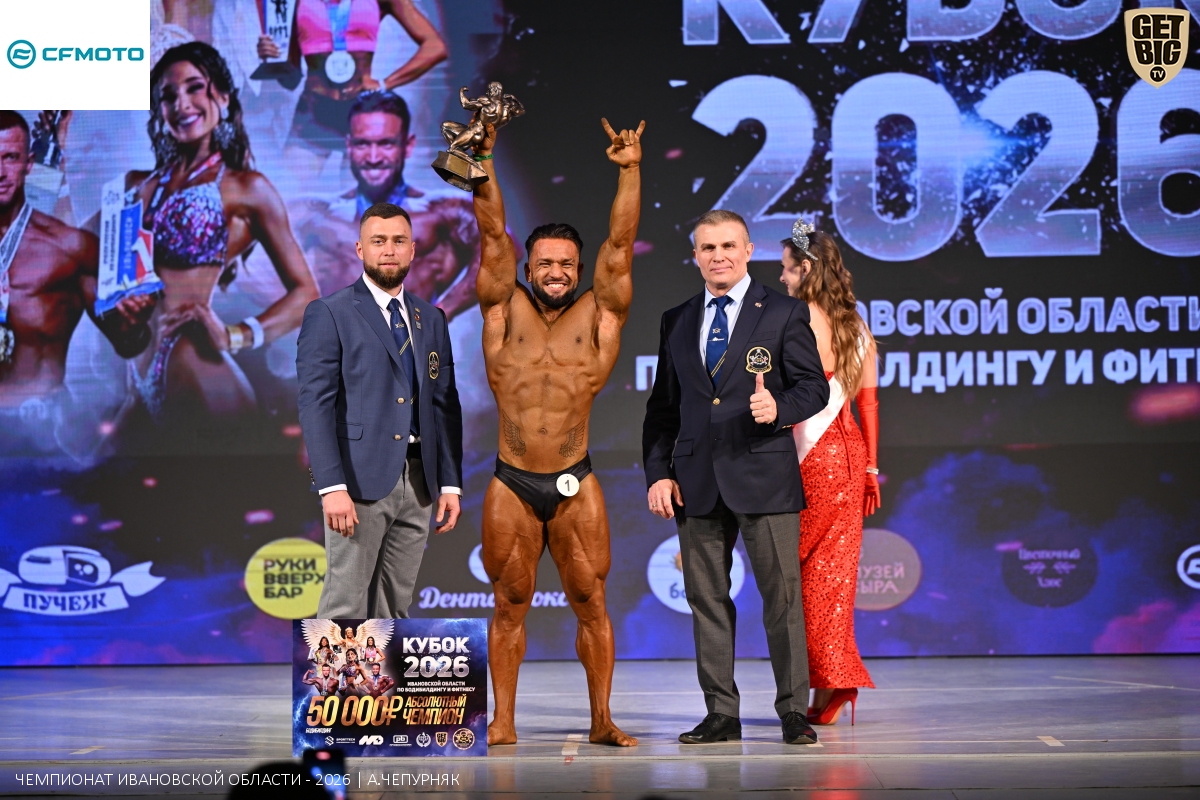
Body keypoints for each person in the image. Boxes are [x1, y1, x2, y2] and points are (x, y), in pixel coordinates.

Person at [470, 118, 644, 747]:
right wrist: (483, 161)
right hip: (512, 482)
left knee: (591, 602)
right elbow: (492, 233)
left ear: (578, 268)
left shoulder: (601, 312)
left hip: (576, 480)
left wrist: (629, 170)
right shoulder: (502, 306)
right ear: (529, 265)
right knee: (508, 604)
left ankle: (602, 720)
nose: (555, 271)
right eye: (544, 262)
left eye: (566, 264)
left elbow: (620, 244)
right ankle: (503, 721)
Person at [642, 209, 830, 747]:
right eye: (708, 248)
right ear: (695, 256)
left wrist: (780, 408)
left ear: (748, 251)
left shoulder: (784, 311)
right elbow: (663, 408)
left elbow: (813, 387)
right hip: (695, 480)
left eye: (728, 246)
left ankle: (793, 711)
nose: (718, 256)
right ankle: (721, 713)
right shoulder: (677, 319)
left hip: (764, 473)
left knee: (781, 600)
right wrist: (658, 473)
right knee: (707, 601)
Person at [100, 42, 318, 424]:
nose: (181, 104)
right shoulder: (136, 186)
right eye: (168, 96)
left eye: (194, 87)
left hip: (193, 361)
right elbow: (80, 253)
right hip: (137, 372)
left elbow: (307, 295)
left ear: (223, 95)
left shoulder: (246, 188)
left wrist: (236, 335)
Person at [296, 202, 463, 619]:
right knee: (345, 605)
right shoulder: (329, 312)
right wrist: (331, 486)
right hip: (357, 481)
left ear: (413, 249)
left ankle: (384, 670)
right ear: (360, 249)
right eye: (378, 241)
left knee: (395, 610)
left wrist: (450, 483)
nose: (389, 249)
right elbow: (315, 405)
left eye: (399, 241)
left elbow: (444, 404)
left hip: (420, 483)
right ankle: (334, 671)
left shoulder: (432, 318)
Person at [0, 111, 153, 456]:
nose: (0, 171)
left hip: (37, 435)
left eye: (10, 157)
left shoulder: (69, 247)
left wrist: (135, 319)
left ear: (28, 164)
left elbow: (127, 342)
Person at [779, 224, 879, 726]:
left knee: (801, 580)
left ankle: (833, 680)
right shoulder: (856, 326)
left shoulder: (796, 318)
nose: (781, 277)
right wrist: (872, 469)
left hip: (810, 457)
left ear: (806, 269)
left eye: (786, 268)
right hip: (851, 457)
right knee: (831, 579)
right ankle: (832, 684)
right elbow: (869, 403)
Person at [288, 90, 482, 320]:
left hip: (411, 341)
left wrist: (445, 310)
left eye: (386, 144)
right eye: (362, 144)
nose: (373, 157)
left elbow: (503, 252)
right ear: (349, 146)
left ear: (407, 146)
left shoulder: (443, 212)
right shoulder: (316, 214)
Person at [256, 0, 447, 175]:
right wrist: (272, 58)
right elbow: (290, 79)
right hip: (314, 112)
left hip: (363, 113)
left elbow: (436, 47)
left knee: (360, 199)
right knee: (294, 196)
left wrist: (386, 83)